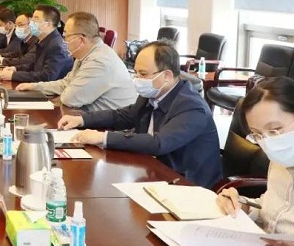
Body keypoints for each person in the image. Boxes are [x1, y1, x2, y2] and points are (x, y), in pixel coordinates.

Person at [58, 40, 221, 188]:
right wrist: (82, 120)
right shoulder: (153, 93)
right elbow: (124, 116)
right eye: (135, 73)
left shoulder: (192, 107)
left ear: (167, 76)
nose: (137, 79)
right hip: (155, 172)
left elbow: (159, 143)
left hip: (188, 186)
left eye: (142, 74)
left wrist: (104, 138)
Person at [217, 77, 294, 246]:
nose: (268, 142)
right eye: (257, 135)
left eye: (275, 130)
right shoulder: (281, 159)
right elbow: (274, 210)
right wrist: (242, 206)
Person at [16, 11, 136, 111]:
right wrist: (35, 86)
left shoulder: (99, 61)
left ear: (80, 40)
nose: (64, 41)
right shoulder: (84, 55)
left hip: (110, 128)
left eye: (66, 36)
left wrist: (64, 92)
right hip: (90, 118)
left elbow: (70, 99)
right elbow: (66, 83)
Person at [0, 5, 73, 84]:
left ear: (48, 24)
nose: (31, 23)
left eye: (36, 19)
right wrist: (15, 69)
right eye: (32, 19)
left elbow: (47, 76)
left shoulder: (56, 45)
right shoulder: (43, 40)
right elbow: (35, 65)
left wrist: (14, 75)